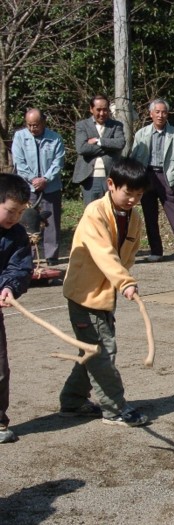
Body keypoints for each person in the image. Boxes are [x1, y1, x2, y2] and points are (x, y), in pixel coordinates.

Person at [59, 158, 149, 427]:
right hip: (84, 295)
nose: (133, 200)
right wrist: (125, 282)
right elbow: (104, 254)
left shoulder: (134, 219)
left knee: (93, 351)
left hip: (106, 297)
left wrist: (121, 282)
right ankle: (115, 408)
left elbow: (127, 256)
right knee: (102, 351)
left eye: (139, 195)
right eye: (128, 193)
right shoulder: (94, 213)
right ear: (111, 185)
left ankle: (73, 400)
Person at [130, 98, 174, 262]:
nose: (160, 115)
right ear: (151, 114)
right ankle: (156, 251)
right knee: (150, 215)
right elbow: (134, 158)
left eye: (164, 112)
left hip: (166, 177)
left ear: (167, 114)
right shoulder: (141, 134)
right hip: (147, 176)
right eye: (157, 112)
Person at [0, 174, 34, 443]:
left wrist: (10, 286)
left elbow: (19, 267)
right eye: (11, 211)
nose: (15, 217)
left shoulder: (17, 234)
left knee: (0, 366)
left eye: (21, 212)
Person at [11, 109, 65, 266]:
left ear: (43, 122)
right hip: (28, 187)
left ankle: (51, 256)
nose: (33, 128)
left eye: (36, 125)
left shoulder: (55, 138)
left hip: (51, 186)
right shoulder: (20, 137)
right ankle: (29, 254)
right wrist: (33, 179)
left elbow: (58, 162)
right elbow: (19, 162)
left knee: (52, 221)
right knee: (27, 221)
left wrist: (46, 179)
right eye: (29, 125)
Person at [73, 94, 126, 205]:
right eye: (98, 110)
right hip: (90, 178)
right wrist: (110, 147)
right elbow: (82, 148)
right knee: (91, 213)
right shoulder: (82, 125)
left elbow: (120, 143)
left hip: (111, 177)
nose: (102, 113)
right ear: (91, 109)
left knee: (110, 211)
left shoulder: (116, 125)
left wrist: (98, 141)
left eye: (105, 110)